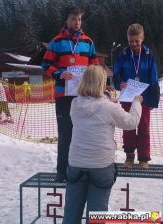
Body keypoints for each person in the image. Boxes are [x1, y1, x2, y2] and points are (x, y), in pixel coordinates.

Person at [63, 65, 142, 223]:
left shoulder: (74, 104)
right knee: (97, 217)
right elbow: (131, 122)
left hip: (76, 164)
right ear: (101, 83)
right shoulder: (108, 107)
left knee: (71, 213)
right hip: (101, 165)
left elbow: (94, 106)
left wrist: (108, 101)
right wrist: (136, 102)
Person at [41, 6, 98, 182]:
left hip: (83, 95)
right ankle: (61, 171)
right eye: (73, 19)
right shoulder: (57, 41)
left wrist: (91, 75)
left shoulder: (88, 42)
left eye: (79, 19)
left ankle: (80, 171)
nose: (77, 22)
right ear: (66, 20)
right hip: (63, 95)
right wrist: (59, 73)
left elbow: (95, 66)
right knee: (65, 134)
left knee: (83, 134)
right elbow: (45, 65)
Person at [113, 23, 160, 169]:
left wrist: (153, 98)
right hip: (128, 98)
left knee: (144, 127)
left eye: (136, 41)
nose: (133, 44)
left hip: (143, 99)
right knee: (128, 127)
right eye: (131, 41)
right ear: (127, 39)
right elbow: (116, 74)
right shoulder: (123, 55)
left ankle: (144, 158)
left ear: (142, 38)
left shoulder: (148, 56)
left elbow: (154, 77)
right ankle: (129, 157)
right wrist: (120, 83)